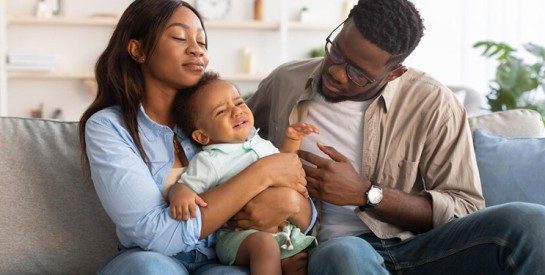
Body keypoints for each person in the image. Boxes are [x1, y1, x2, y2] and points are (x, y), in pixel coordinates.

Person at [247, 0, 545, 274]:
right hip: (336, 252)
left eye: (358, 74)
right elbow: (229, 142)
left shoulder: (434, 104)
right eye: (336, 52)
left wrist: (367, 193)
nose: (337, 73)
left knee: (532, 222)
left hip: (420, 248)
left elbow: (462, 210)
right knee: (343, 253)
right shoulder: (285, 83)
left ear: (394, 73)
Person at [78, 1, 315, 274]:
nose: (196, 49)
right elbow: (156, 236)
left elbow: (303, 211)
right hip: (150, 258)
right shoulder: (109, 127)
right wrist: (262, 174)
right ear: (138, 50)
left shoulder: (220, 121)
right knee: (150, 268)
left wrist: (289, 205)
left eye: (202, 41)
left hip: (220, 257)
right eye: (179, 37)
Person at [167, 71, 318, 275]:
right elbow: (185, 186)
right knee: (265, 247)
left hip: (282, 229)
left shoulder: (260, 142)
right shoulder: (210, 160)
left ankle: (285, 261)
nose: (236, 112)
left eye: (239, 103)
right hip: (239, 237)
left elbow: (283, 168)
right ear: (202, 136)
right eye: (221, 112)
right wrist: (180, 193)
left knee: (302, 260)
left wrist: (292, 141)